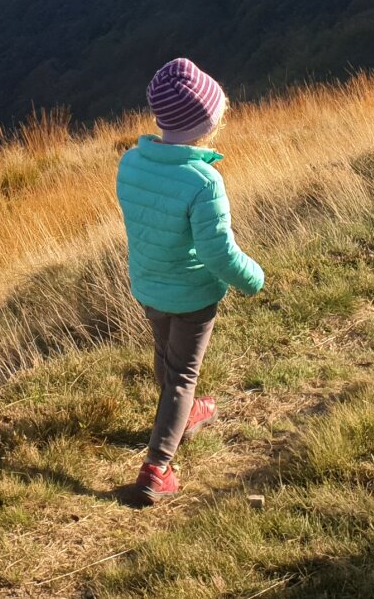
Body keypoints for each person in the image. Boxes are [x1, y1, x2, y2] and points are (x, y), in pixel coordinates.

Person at [115, 57, 266, 505]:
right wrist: (252, 278)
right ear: (207, 121)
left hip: (149, 284)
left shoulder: (131, 163)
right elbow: (218, 253)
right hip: (192, 294)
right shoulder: (204, 181)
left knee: (166, 355)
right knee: (183, 373)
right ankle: (157, 468)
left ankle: (185, 414)